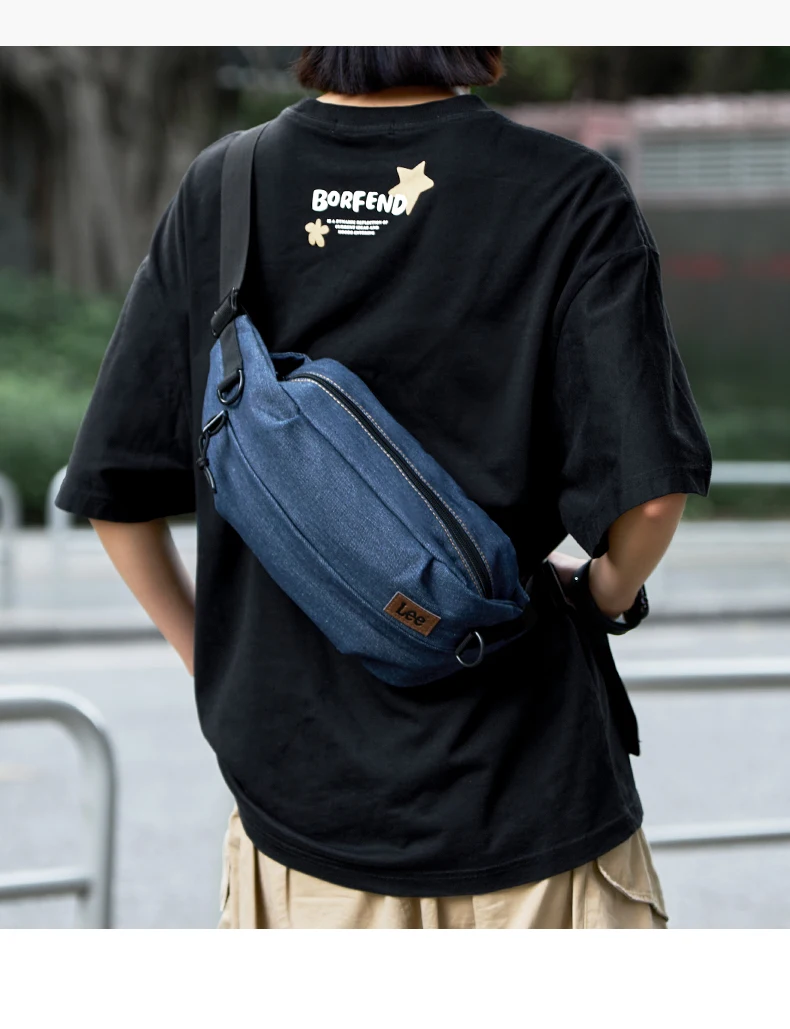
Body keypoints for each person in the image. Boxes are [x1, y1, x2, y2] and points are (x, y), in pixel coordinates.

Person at [55, 46, 712, 929]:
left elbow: (115, 493)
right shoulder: (567, 191)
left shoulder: (225, 188)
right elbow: (650, 499)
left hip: (302, 821)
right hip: (530, 795)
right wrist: (603, 592)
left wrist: (214, 663)